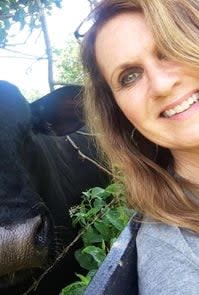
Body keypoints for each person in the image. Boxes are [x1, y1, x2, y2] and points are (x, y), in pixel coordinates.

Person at [76, 0, 199, 294]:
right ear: (120, 115)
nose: (161, 85)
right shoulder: (171, 253)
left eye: (170, 47)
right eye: (129, 76)